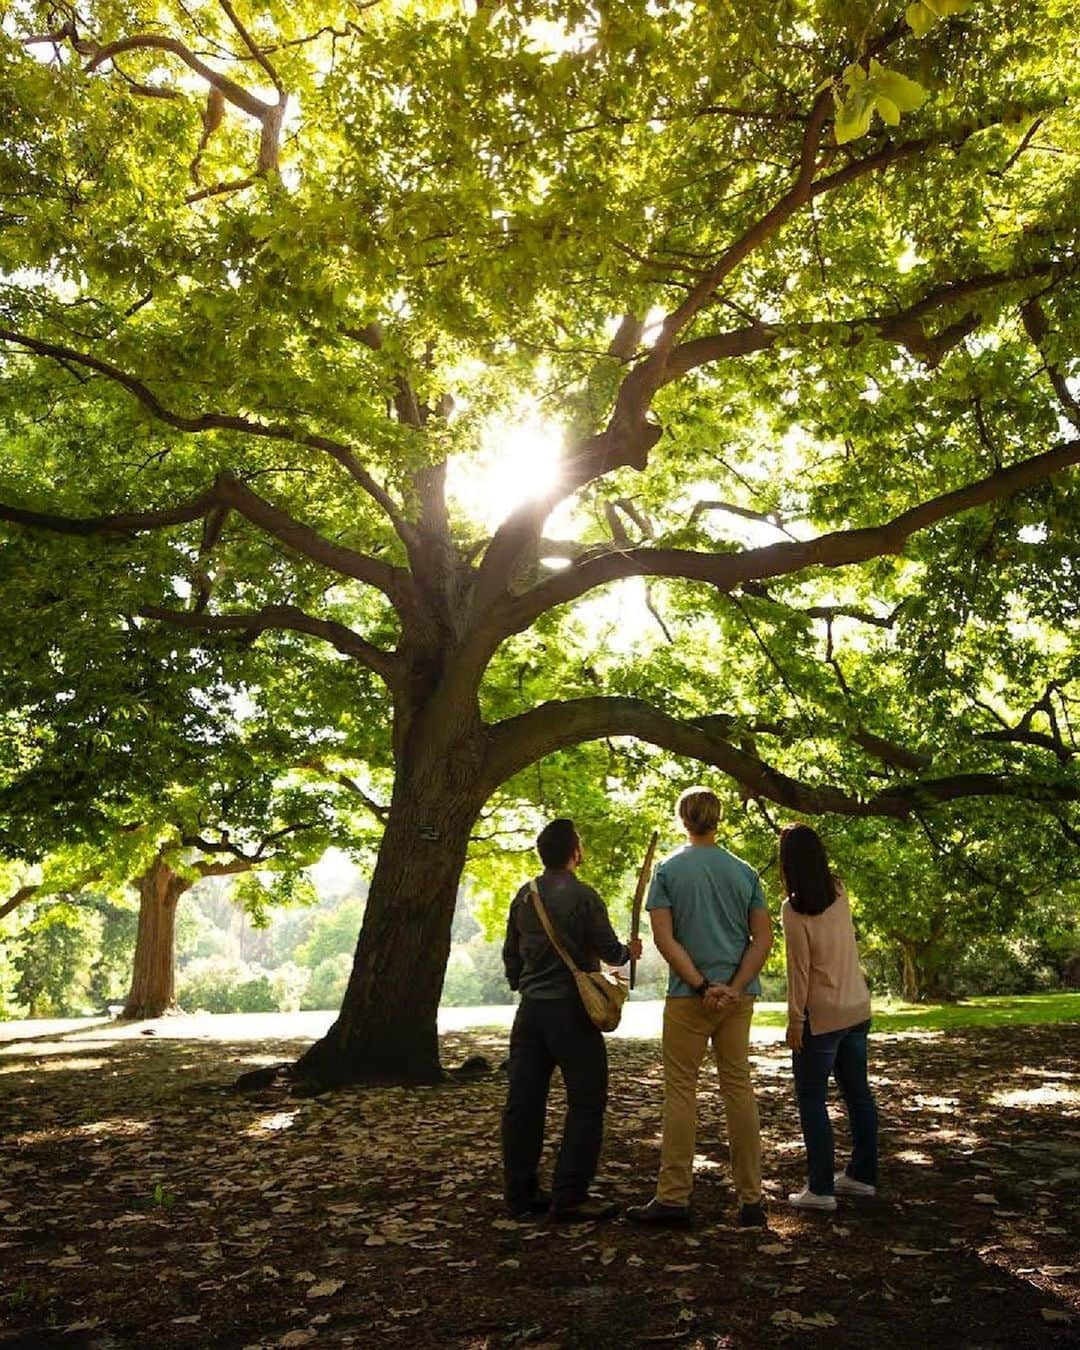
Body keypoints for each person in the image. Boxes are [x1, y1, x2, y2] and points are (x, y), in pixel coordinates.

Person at [627, 787, 772, 1229]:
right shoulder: (745, 873)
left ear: (683, 820)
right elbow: (762, 939)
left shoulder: (668, 871)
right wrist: (732, 987)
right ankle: (751, 1200)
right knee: (738, 1089)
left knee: (681, 1092)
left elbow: (664, 939)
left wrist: (702, 984)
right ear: (718, 819)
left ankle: (673, 1197)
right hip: (736, 998)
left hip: (688, 997)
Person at [501, 817, 643, 1222]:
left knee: (523, 1102)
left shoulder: (524, 896)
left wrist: (523, 983)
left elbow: (511, 953)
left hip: (530, 1011)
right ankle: (570, 1194)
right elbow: (609, 951)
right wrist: (628, 951)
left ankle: (520, 1194)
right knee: (587, 1099)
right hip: (572, 1011)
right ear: (574, 853)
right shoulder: (584, 896)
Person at [780, 822, 878, 1212]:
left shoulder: (793, 909)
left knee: (811, 1098)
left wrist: (794, 1021)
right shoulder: (839, 890)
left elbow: (798, 970)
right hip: (857, 1008)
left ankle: (820, 1188)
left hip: (821, 1017)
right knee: (858, 1094)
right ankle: (862, 1176)